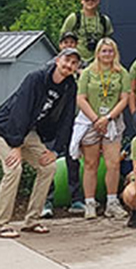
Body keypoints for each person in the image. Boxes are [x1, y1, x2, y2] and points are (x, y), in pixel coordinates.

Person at [0, 47, 81, 238]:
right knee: (14, 169)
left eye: (74, 63)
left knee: (48, 167)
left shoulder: (69, 86)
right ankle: (1, 223)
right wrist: (16, 145)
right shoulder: (36, 78)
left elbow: (67, 119)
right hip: (6, 128)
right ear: (57, 60)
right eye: (66, 60)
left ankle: (32, 220)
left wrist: (56, 150)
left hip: (29, 132)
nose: (69, 65)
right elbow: (20, 110)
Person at [74, 37, 130, 220]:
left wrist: (108, 118)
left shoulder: (122, 73)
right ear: (97, 53)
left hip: (112, 122)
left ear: (115, 53)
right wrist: (96, 119)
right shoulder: (88, 72)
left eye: (110, 51)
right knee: (91, 164)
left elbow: (124, 99)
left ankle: (112, 203)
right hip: (90, 121)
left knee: (113, 163)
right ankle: (89, 203)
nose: (107, 54)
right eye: (104, 51)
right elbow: (81, 98)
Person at [42, 32, 85, 218]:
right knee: (47, 160)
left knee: (73, 159)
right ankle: (46, 201)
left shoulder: (82, 69)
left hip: (72, 121)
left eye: (72, 42)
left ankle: (76, 199)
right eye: (66, 42)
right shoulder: (49, 68)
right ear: (60, 46)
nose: (69, 45)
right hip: (49, 123)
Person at [60, 0, 114, 64]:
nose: (90, 2)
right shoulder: (74, 18)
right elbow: (63, 39)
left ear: (98, 0)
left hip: (97, 61)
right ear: (82, 1)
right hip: (76, 60)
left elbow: (108, 42)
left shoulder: (104, 20)